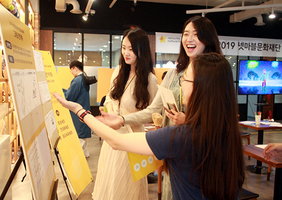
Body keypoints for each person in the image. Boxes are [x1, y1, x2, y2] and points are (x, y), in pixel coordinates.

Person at [53, 52, 246, 200]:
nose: (181, 83)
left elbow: (116, 140)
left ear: (199, 87)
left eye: (185, 79)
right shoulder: (227, 134)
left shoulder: (181, 137)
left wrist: (80, 110)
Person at [96, 15, 222, 199]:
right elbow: (154, 109)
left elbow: (221, 117)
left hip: (202, 151)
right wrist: (120, 118)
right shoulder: (173, 73)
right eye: (186, 34)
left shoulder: (217, 71)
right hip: (172, 149)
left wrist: (189, 120)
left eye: (196, 34)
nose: (189, 39)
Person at [95, 28, 158, 200]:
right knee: (109, 183)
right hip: (111, 139)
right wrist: (107, 109)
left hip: (132, 142)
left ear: (141, 49)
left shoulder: (150, 80)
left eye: (131, 48)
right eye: (124, 47)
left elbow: (152, 112)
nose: (126, 53)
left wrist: (123, 119)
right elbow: (109, 96)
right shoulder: (118, 71)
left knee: (127, 188)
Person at [63, 60, 91, 158]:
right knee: (82, 135)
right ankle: (85, 155)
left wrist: (61, 92)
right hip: (84, 110)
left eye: (71, 70)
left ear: (75, 68)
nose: (71, 72)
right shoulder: (84, 79)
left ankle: (80, 158)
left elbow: (69, 97)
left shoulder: (77, 80)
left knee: (79, 136)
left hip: (78, 112)